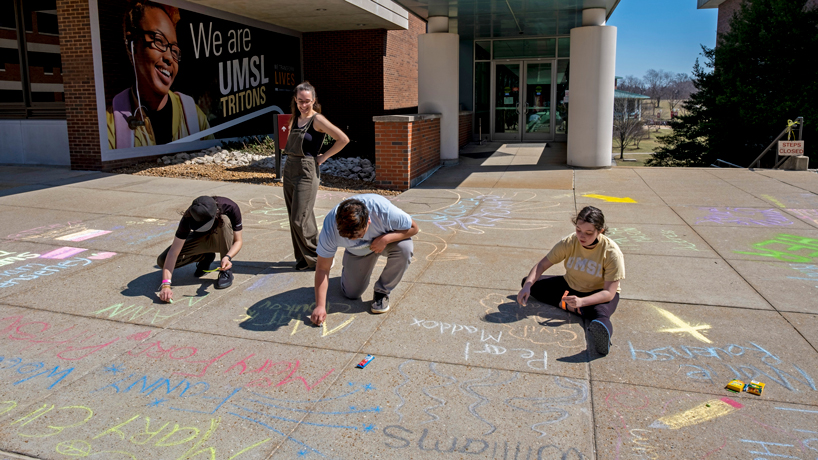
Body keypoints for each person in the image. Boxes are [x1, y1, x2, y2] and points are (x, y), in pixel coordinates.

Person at [517, 206, 625, 355]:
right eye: (579, 230)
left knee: (600, 315)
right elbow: (542, 264)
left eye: (588, 232)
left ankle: (599, 331)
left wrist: (582, 301)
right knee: (530, 283)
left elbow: (609, 293)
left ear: (600, 231)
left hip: (597, 294)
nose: (582, 236)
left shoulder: (611, 252)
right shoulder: (569, 242)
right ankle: (577, 308)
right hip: (570, 285)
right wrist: (527, 286)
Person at [106, 0, 213, 149]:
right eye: (158, 41)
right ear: (132, 44)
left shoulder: (193, 115)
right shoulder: (110, 126)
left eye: (174, 50)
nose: (169, 57)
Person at [310, 195, 418, 326]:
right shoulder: (330, 227)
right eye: (348, 238)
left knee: (405, 248)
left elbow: (414, 228)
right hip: (357, 253)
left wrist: (385, 239)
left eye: (358, 235)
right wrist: (320, 306)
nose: (353, 240)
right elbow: (322, 268)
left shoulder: (384, 212)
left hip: (383, 241)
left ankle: (382, 291)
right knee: (351, 293)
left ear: (369, 221)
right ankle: (350, 271)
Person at [282, 81, 349, 271]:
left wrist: (324, 156)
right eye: (300, 101)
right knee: (294, 216)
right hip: (289, 169)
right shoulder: (294, 119)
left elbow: (343, 139)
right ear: (295, 100)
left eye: (307, 101)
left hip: (306, 171)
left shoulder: (317, 120)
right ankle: (303, 258)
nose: (304, 105)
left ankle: (320, 256)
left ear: (313, 100)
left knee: (300, 218)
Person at [157, 196, 243, 302]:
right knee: (162, 260)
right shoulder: (189, 215)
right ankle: (205, 256)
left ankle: (225, 270)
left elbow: (238, 241)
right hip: (202, 239)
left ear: (216, 212)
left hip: (221, 239)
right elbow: (173, 252)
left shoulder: (230, 207)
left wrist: (227, 257)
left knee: (224, 220)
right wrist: (166, 285)